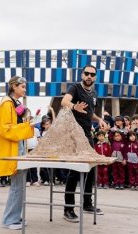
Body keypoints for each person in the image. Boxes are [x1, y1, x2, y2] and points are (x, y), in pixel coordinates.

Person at [61, 64, 105, 222]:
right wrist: (74, 106)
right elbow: (64, 102)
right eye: (86, 73)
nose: (89, 76)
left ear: (95, 77)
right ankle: (68, 209)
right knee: (75, 171)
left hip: (87, 135)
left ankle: (87, 203)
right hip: (74, 134)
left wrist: (99, 119)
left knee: (91, 169)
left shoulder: (94, 93)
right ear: (82, 74)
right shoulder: (75, 88)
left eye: (92, 74)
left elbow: (90, 113)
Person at [0, 76, 34, 230]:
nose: (24, 89)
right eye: (22, 86)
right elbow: (5, 129)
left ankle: (15, 217)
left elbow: (14, 126)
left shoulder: (15, 103)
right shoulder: (7, 103)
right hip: (14, 147)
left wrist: (26, 124)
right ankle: (10, 219)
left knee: (20, 184)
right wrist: (28, 127)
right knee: (17, 185)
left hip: (18, 145)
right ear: (14, 87)